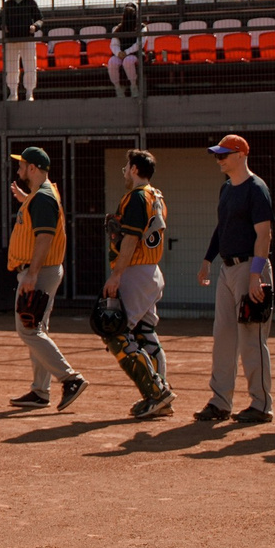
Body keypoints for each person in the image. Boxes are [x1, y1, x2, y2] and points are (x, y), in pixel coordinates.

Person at [198, 134, 274, 425]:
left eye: (224, 154)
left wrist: (256, 274)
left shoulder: (256, 188)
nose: (219, 159)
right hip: (227, 269)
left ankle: (261, 404)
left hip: (249, 269)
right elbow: (223, 227)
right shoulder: (227, 188)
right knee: (224, 337)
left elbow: (264, 234)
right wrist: (208, 259)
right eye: (218, 155)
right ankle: (220, 401)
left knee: (252, 338)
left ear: (241, 155)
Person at [6, 146, 82, 408]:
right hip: (43, 270)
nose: (19, 170)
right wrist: (26, 199)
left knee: (28, 329)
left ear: (33, 169)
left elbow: (45, 238)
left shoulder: (42, 198)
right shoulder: (39, 196)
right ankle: (40, 391)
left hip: (40, 271)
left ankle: (70, 377)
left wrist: (32, 274)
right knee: (37, 329)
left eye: (22, 166)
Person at [105, 150, 173, 420]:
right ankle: (161, 393)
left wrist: (116, 275)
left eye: (126, 166)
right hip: (151, 271)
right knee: (145, 331)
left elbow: (131, 241)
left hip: (135, 271)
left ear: (134, 169)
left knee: (116, 333)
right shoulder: (156, 196)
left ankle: (157, 393)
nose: (124, 171)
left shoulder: (136, 197)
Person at [0, 0, 43, 102]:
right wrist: (3, 26)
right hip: (11, 40)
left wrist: (35, 26)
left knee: (30, 66)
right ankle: (13, 93)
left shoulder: (30, 2)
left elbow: (40, 19)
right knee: (11, 67)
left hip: (27, 38)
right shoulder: (7, 4)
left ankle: (29, 92)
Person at [106, 3, 143, 99]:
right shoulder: (118, 28)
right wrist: (118, 53)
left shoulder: (142, 27)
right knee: (112, 61)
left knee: (128, 60)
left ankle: (134, 86)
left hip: (135, 54)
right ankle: (118, 88)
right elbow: (114, 44)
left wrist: (126, 52)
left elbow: (139, 44)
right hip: (120, 54)